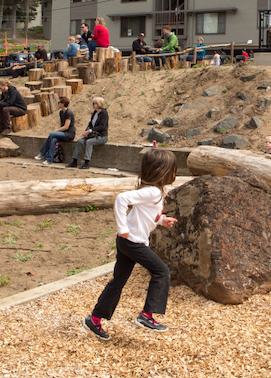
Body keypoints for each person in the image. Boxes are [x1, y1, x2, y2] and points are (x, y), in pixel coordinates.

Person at [82, 149, 178, 341]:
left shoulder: (155, 192)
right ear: (163, 172)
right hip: (132, 242)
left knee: (118, 282)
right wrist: (122, 227)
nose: (174, 174)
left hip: (129, 242)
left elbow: (146, 215)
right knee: (161, 271)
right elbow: (121, 199)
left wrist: (161, 220)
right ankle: (147, 315)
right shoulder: (151, 191)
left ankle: (94, 319)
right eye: (173, 170)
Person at [68, 97, 108, 169]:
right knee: (80, 141)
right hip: (92, 135)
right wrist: (86, 131)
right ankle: (74, 160)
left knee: (89, 142)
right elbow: (90, 124)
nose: (93, 105)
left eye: (94, 103)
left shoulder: (104, 114)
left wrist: (90, 131)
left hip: (101, 136)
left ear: (98, 104)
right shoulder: (95, 113)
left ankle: (86, 162)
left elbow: (103, 127)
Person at [34, 96, 75, 165]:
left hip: (69, 134)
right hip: (63, 133)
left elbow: (66, 127)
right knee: (54, 140)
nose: (58, 103)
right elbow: (60, 123)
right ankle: (49, 159)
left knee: (52, 134)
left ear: (63, 103)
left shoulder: (69, 113)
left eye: (59, 102)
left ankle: (42, 153)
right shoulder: (61, 112)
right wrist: (57, 130)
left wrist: (57, 130)